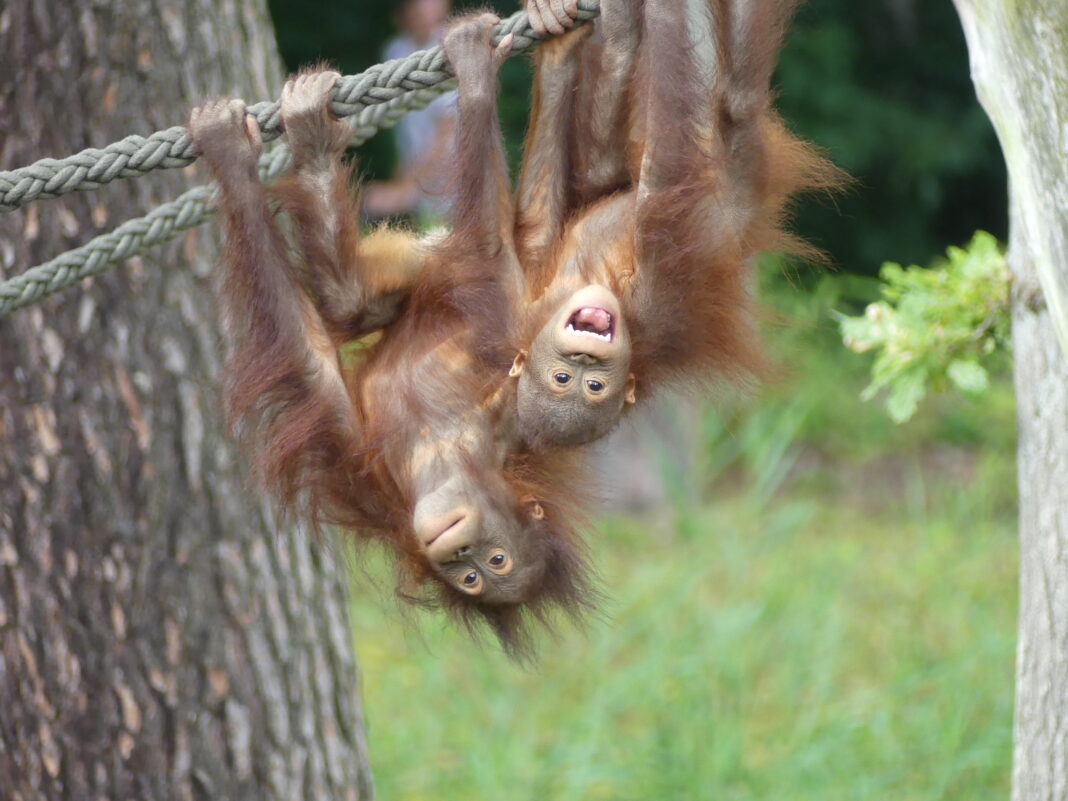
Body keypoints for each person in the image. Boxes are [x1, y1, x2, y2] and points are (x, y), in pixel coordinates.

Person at [362, 0, 456, 222]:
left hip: (456, 183)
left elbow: (447, 132)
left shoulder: (452, 47)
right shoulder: (396, 51)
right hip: (419, 182)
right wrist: (400, 185)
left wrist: (403, 192)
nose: (428, 9)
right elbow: (407, 133)